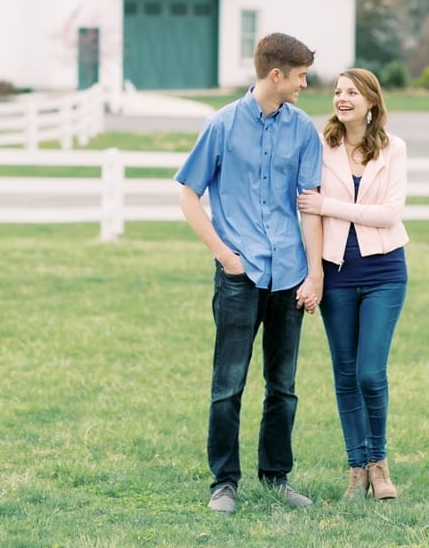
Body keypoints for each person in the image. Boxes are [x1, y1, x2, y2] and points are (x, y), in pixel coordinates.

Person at [176, 32, 325, 515]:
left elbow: (309, 207)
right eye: (301, 76)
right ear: (276, 74)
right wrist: (223, 254)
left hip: (289, 276)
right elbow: (187, 194)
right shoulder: (221, 126)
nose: (306, 84)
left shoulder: (303, 131)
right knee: (228, 385)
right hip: (240, 274)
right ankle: (224, 483)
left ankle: (276, 476)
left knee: (283, 385)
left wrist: (314, 273)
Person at [296, 68, 410, 502]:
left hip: (384, 273)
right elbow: (309, 213)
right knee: (345, 375)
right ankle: (356, 470)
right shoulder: (321, 148)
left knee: (370, 373)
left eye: (352, 92)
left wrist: (330, 204)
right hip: (337, 275)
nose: (342, 98)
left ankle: (379, 465)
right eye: (338, 91)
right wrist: (316, 272)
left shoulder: (393, 149)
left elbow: (388, 214)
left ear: (371, 101)